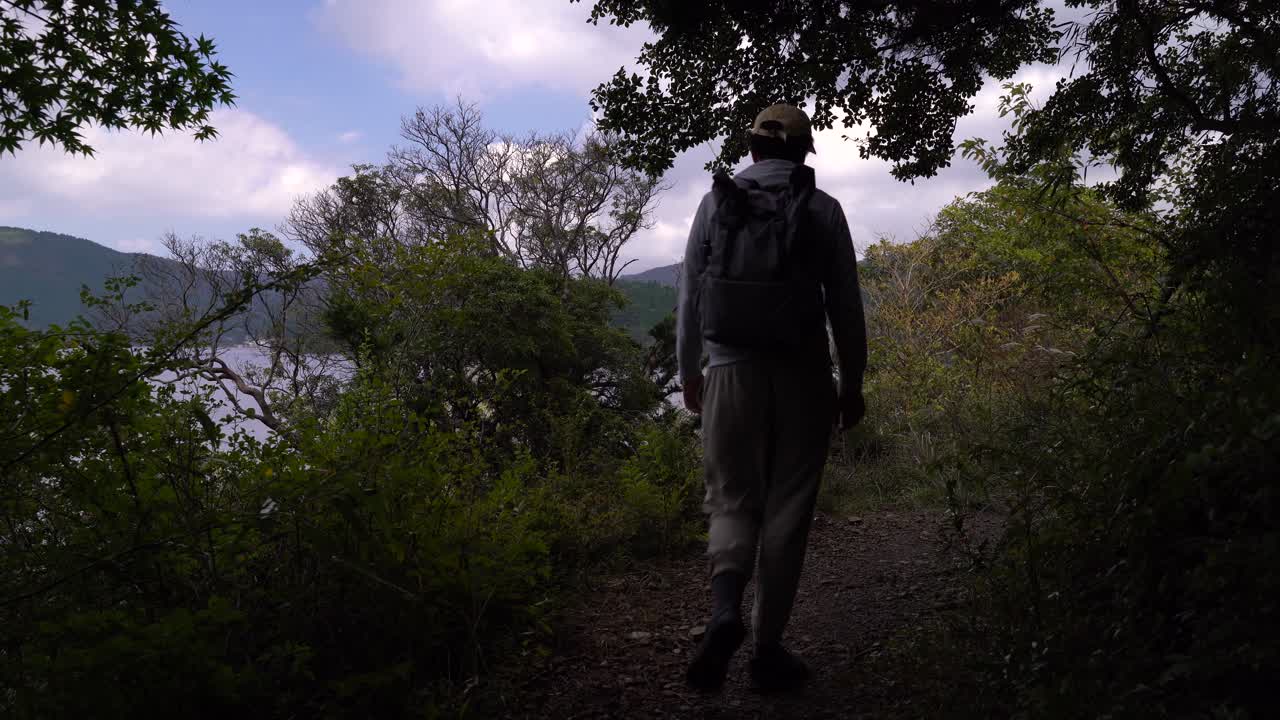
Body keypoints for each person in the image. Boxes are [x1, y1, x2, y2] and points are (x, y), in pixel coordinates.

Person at [678, 103, 868, 693]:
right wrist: (851, 383)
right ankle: (766, 651)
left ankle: (724, 609)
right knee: (788, 511)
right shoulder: (823, 209)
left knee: (732, 499)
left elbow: (689, 298)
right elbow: (845, 306)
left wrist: (691, 375)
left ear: (753, 149)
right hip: (805, 377)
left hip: (729, 371)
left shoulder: (717, 202)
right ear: (803, 153)